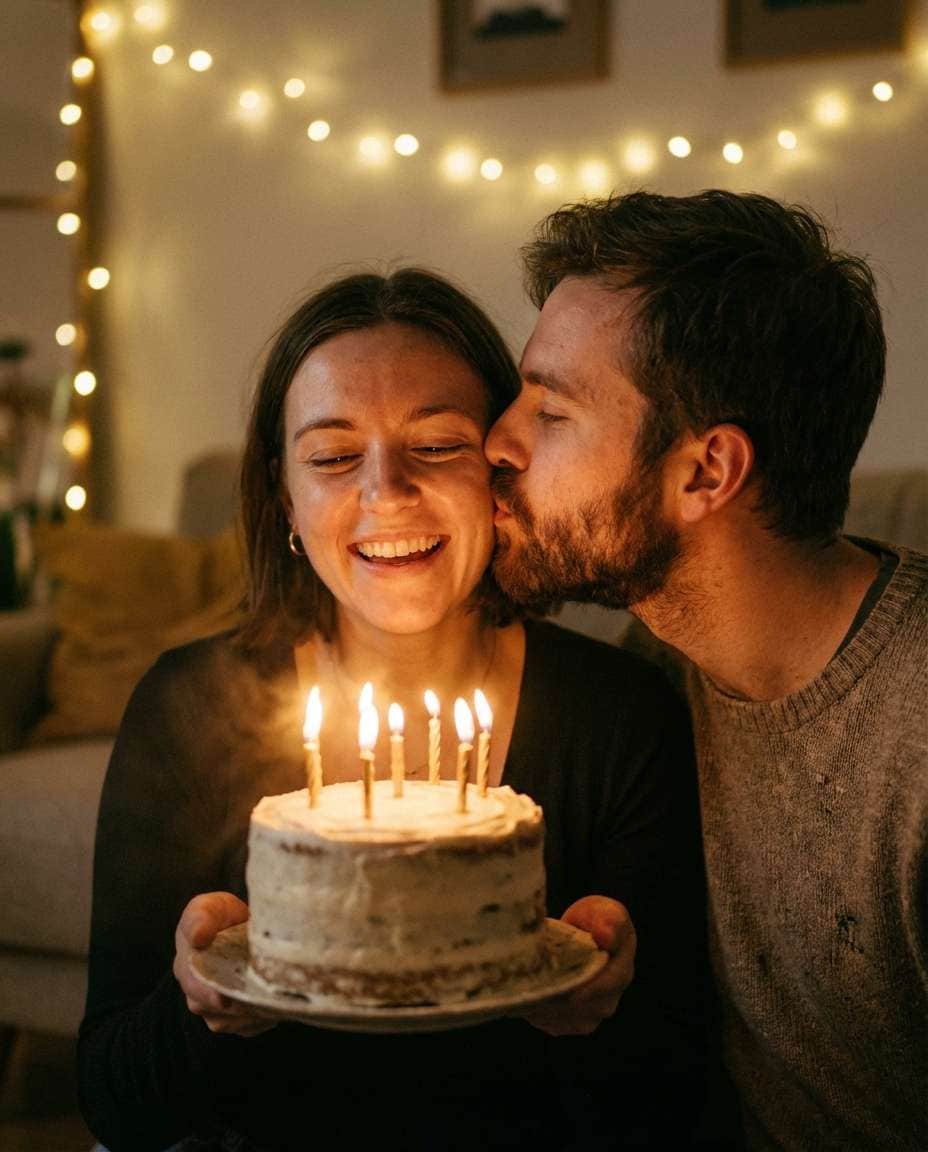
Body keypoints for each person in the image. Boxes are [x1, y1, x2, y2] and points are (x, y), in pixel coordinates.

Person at [77, 268, 720, 1152]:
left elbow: (677, 1099)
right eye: (334, 456)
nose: (386, 492)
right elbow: (115, 1099)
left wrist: (602, 1012)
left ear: (501, 469)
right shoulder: (188, 708)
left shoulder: (621, 718)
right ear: (284, 499)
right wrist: (201, 1010)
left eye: (437, 444)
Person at [485, 189, 928, 1151]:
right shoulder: (654, 673)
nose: (497, 443)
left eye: (550, 411)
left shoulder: (916, 734)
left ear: (706, 473)